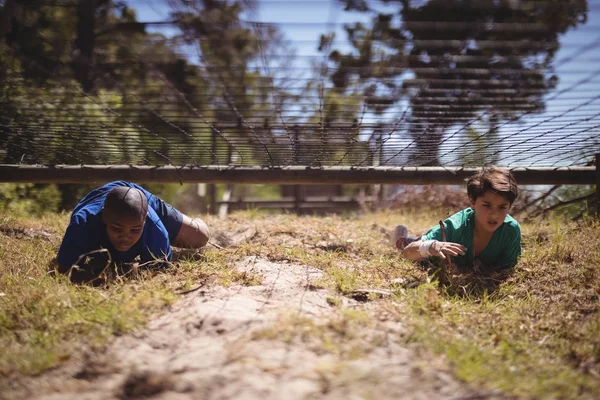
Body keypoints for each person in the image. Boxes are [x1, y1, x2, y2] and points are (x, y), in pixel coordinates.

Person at [55, 181, 210, 282]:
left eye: (135, 230)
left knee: (200, 237)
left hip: (139, 199)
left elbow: (157, 271)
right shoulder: (83, 223)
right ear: (103, 219)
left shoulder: (153, 226)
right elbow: (66, 270)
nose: (125, 237)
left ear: (144, 222)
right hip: (110, 200)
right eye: (117, 229)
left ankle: (194, 220)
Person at [393, 166, 521, 272]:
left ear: (510, 206)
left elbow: (506, 269)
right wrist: (432, 246)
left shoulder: (511, 230)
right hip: (427, 259)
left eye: (502, 207)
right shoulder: (455, 227)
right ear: (472, 201)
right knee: (406, 244)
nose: (494, 214)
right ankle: (401, 237)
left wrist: (463, 269)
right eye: (486, 205)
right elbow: (408, 253)